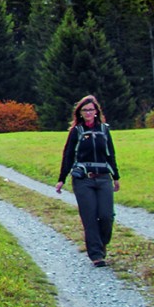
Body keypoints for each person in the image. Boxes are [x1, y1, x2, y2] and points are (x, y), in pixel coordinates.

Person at [54, 94, 120, 267]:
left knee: (106, 216)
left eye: (91, 110)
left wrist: (116, 178)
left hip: (104, 178)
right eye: (85, 110)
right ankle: (96, 255)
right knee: (89, 217)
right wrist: (61, 179)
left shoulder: (104, 130)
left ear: (96, 111)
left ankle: (102, 243)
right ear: (80, 113)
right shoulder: (76, 131)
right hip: (83, 180)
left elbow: (110, 154)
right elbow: (68, 155)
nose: (88, 113)